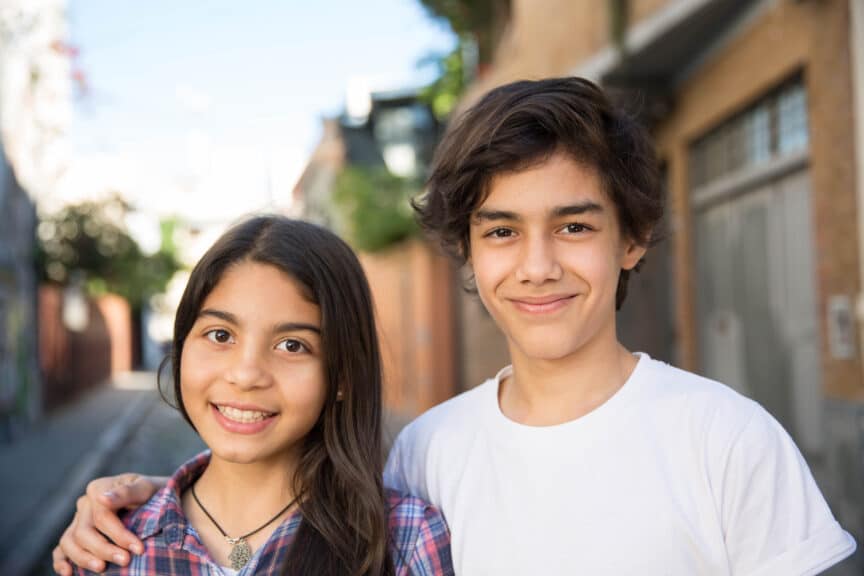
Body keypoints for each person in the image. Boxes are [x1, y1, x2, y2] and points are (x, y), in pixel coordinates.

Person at [54, 78, 855, 575]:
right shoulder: (425, 456)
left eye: (574, 227)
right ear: (468, 252)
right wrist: (145, 499)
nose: (537, 265)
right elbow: (287, 507)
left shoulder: (728, 439)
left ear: (632, 238)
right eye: (502, 231)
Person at [60, 215, 453, 575]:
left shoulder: (406, 544)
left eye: (292, 345)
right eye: (220, 336)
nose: (246, 375)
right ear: (182, 347)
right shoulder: (108, 545)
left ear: (343, 376)